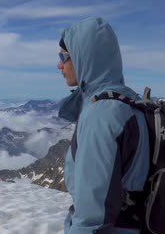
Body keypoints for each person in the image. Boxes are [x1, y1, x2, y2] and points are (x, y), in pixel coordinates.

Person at [57, 17, 150, 234]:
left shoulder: (102, 115)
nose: (59, 64)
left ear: (84, 58)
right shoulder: (129, 101)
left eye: (63, 56)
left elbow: (91, 218)